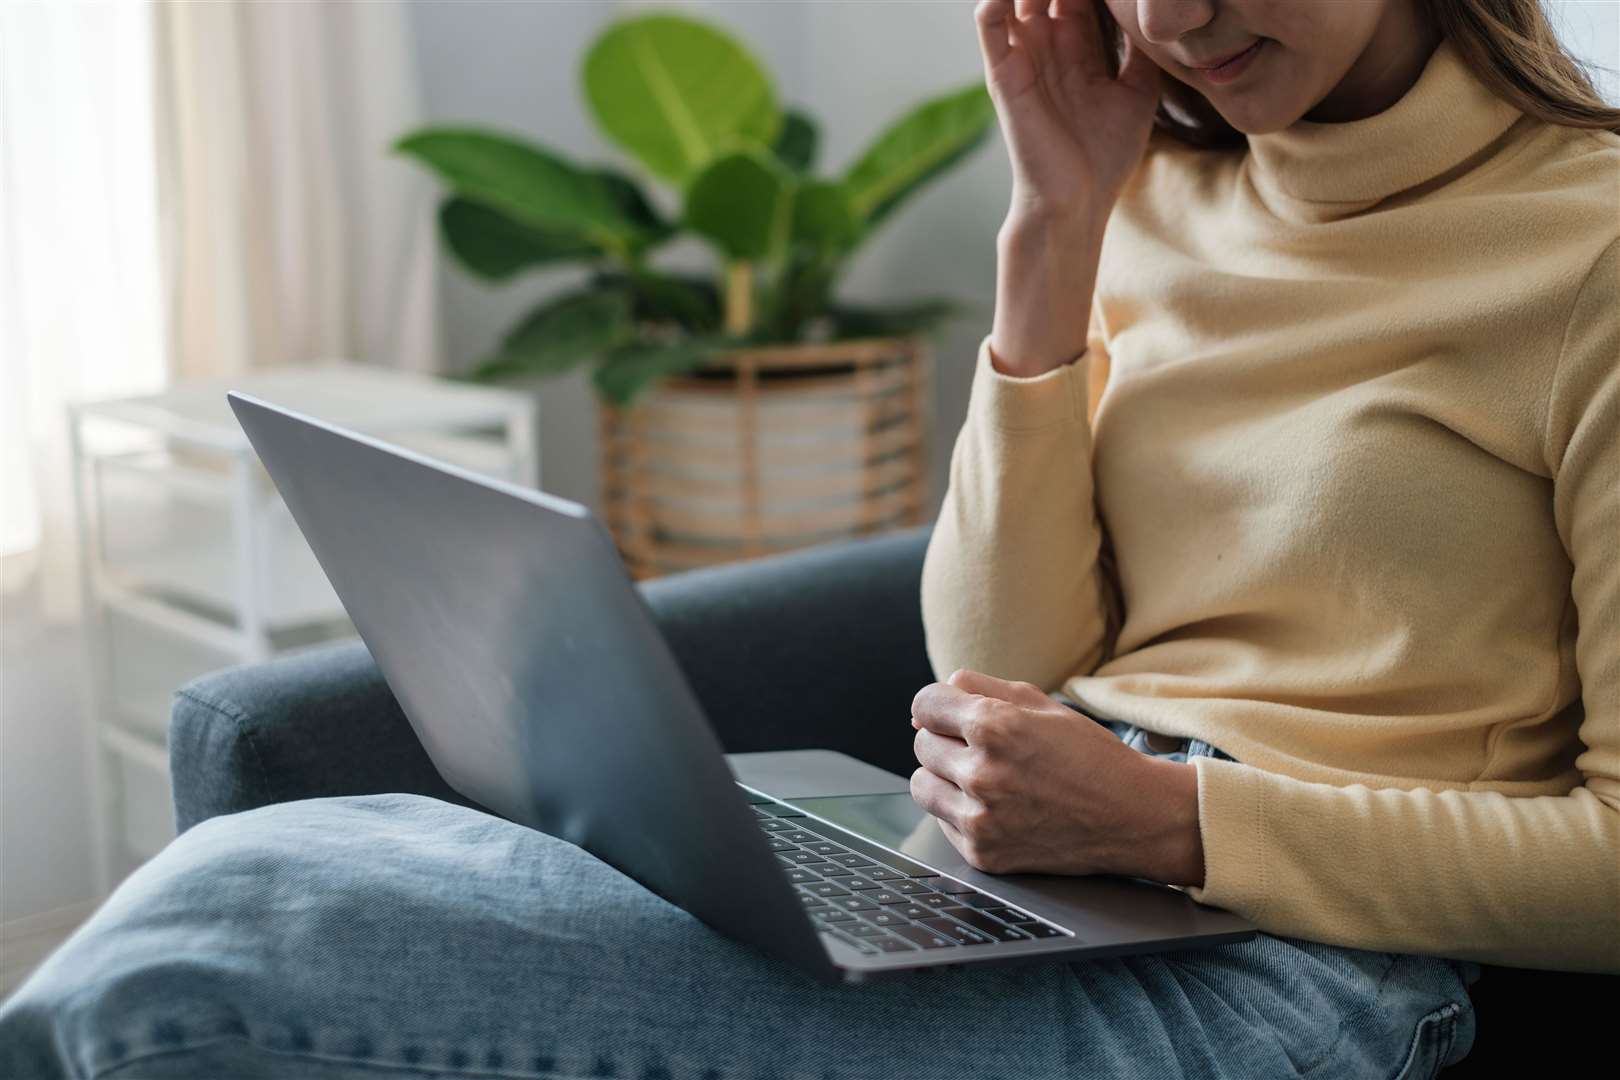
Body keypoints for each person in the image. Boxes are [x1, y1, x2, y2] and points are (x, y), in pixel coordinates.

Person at [2, 1, 1614, 1077]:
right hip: (1023, 869)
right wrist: (1050, 234)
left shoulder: (1585, 250)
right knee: (281, 855)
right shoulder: (1155, 186)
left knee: (210, 970)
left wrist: (1176, 821)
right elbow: (1000, 664)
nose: (1176, 19)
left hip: (1298, 969)